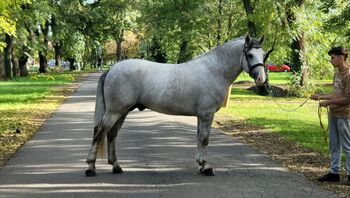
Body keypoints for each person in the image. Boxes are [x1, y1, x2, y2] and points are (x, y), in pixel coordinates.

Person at [311, 46, 350, 185]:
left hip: (345, 115)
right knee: (334, 145)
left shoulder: (348, 75)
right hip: (333, 114)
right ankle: (334, 173)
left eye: (332, 58)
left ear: (341, 57)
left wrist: (328, 103)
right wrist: (320, 97)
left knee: (347, 145)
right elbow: (335, 94)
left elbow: (347, 98)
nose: (331, 61)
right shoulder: (337, 74)